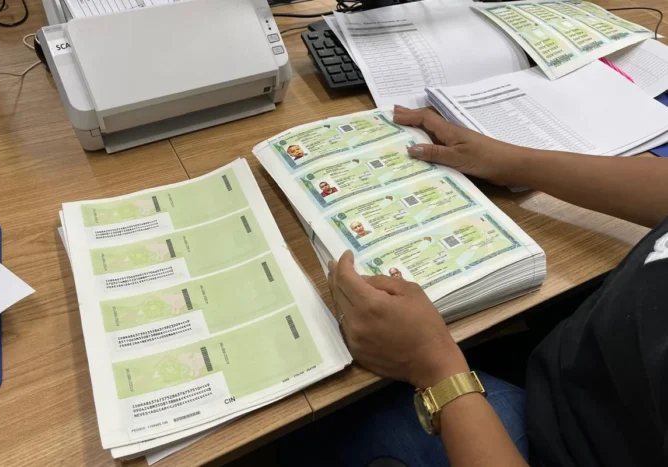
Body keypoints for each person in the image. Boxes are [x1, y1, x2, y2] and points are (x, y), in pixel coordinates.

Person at [277, 106, 668, 467]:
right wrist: (511, 162)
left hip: (553, 445)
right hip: (584, 370)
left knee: (320, 417)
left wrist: (433, 366)